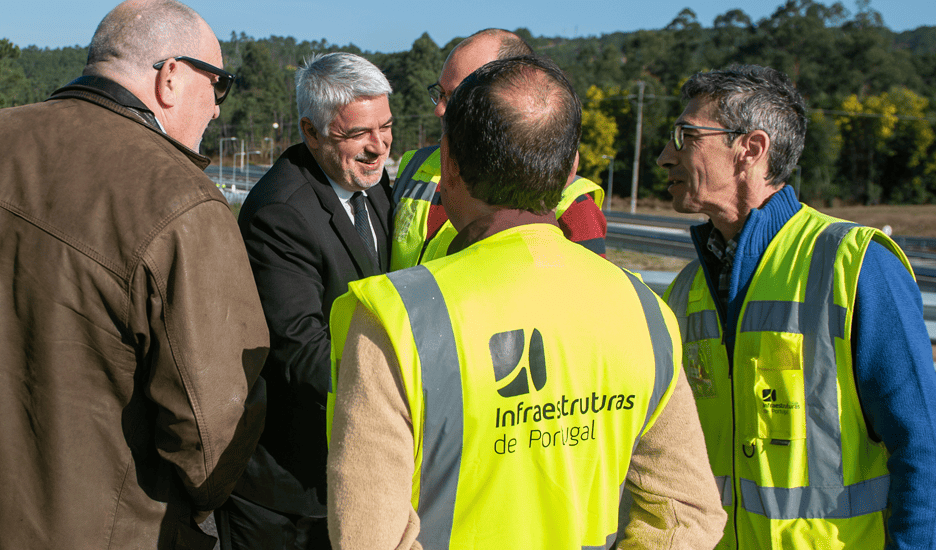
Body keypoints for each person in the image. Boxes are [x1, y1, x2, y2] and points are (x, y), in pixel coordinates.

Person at [0, 0, 269, 548]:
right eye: (219, 84)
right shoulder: (182, 201)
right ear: (172, 77)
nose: (217, 110)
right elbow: (210, 441)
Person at [326, 55, 727, 550]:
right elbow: (687, 512)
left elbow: (370, 537)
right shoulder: (645, 312)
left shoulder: (391, 319)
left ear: (448, 164)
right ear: (571, 168)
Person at [657, 64, 936, 549]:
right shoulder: (686, 289)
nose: (663, 156)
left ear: (750, 150)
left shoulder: (855, 264)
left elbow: (926, 448)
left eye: (685, 135)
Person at [218, 52, 395, 550]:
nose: (377, 146)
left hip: (348, 467)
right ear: (310, 132)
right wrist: (408, 392)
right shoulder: (281, 213)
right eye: (356, 133)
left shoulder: (374, 186)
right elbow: (302, 350)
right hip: (285, 490)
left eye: (386, 126)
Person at [390, 29, 607, 270]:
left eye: (458, 96)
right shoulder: (414, 165)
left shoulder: (573, 203)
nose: (440, 110)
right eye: (440, 93)